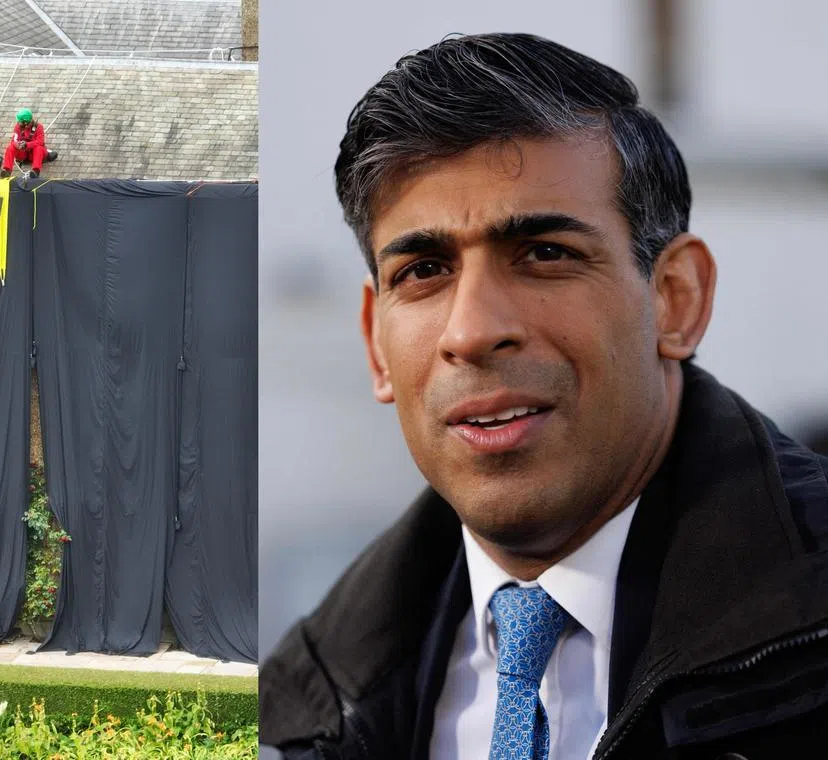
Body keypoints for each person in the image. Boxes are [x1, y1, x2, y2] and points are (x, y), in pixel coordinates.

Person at [259, 33, 828, 759]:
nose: (471, 331)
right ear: (376, 344)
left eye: (545, 254)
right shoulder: (303, 705)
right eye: (424, 270)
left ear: (676, 298)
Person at [0, 108, 47, 177]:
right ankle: (7, 170)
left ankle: (35, 170)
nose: (18, 123)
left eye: (20, 121)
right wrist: (17, 145)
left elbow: (40, 142)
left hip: (34, 154)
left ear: (25, 123)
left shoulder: (38, 127)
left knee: (39, 148)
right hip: (23, 153)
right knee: (10, 147)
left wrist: (27, 144)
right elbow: (14, 140)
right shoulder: (18, 127)